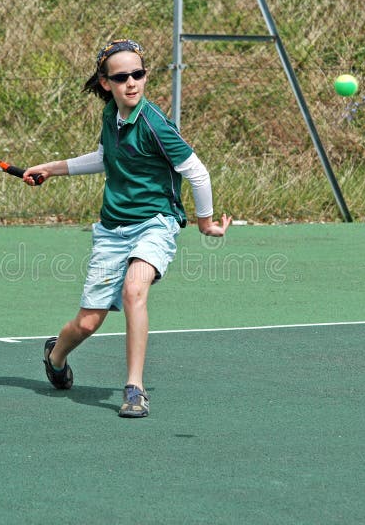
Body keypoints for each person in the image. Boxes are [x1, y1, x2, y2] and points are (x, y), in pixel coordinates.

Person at [22, 39, 230, 418]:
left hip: (155, 223)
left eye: (138, 74)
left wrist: (204, 223)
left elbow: (197, 173)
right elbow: (105, 158)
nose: (131, 82)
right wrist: (51, 168)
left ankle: (134, 387)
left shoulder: (155, 125)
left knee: (135, 290)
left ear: (145, 75)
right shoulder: (111, 117)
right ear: (106, 83)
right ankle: (55, 355)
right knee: (87, 323)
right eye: (121, 77)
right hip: (111, 230)